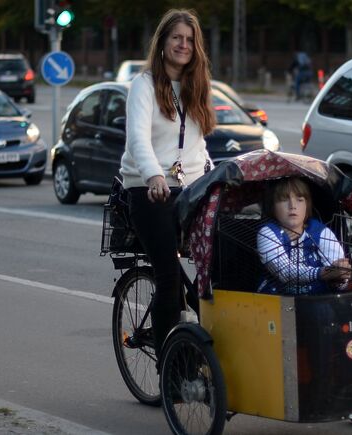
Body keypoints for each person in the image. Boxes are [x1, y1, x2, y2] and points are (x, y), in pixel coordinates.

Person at [119, 9, 215, 360]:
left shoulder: (197, 86)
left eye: (189, 40)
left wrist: (218, 182)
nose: (183, 45)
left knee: (219, 268)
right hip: (149, 191)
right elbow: (138, 141)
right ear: (162, 43)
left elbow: (199, 148)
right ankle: (168, 371)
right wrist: (153, 175)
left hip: (189, 191)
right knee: (169, 278)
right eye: (177, 37)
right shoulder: (143, 86)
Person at [257, 177, 351, 295]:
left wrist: (340, 275)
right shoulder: (267, 233)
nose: (292, 206)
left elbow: (340, 280)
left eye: (299, 199)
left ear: (307, 205)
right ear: (273, 207)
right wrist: (324, 273)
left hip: (316, 301)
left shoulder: (320, 232)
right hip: (276, 302)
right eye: (284, 199)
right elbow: (285, 272)